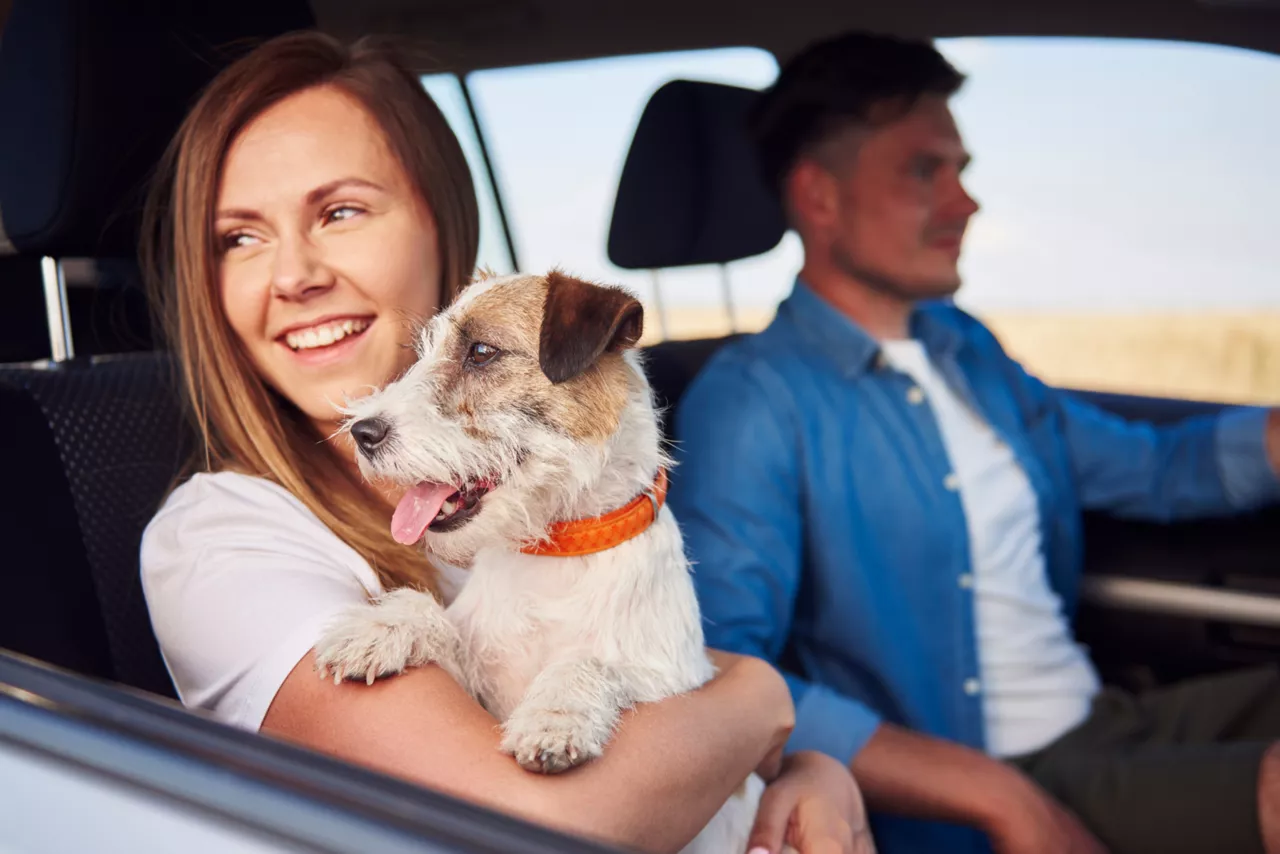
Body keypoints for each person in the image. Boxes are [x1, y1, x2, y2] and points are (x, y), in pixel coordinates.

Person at [137, 31, 873, 854]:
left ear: (441, 221)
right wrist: (765, 701)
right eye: (238, 237)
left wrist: (809, 771)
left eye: (339, 211)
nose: (292, 275)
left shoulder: (534, 498)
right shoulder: (220, 541)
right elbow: (536, 827)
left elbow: (666, 680)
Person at [668, 29, 1280, 854]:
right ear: (819, 197)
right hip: (974, 783)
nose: (966, 202)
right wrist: (994, 794)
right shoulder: (754, 401)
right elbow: (721, 667)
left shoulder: (968, 350)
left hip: (1101, 720)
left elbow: (1158, 469)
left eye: (961, 171)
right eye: (926, 171)